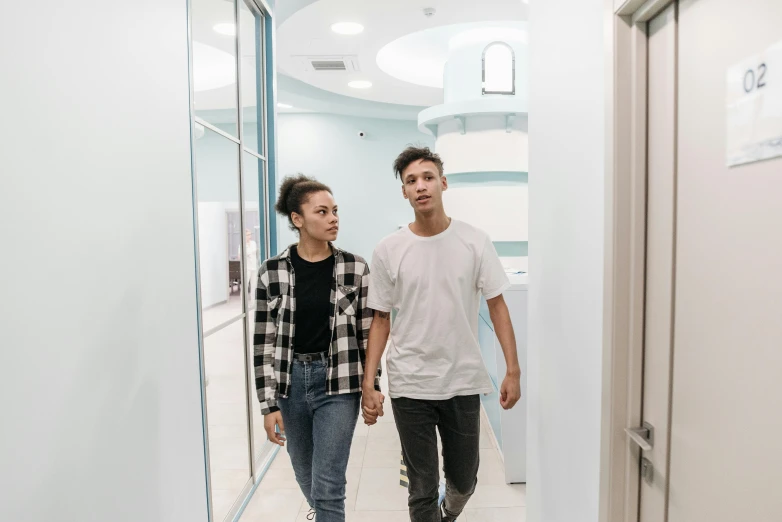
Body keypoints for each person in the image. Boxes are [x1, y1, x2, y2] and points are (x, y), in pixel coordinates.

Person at [361, 147, 522, 522]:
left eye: (428, 177)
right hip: (410, 382)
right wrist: (370, 383)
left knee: (464, 481)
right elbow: (380, 318)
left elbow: (497, 305)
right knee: (421, 487)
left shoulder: (475, 241)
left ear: (443, 183)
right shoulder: (389, 249)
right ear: (404, 192)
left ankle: (447, 513)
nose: (421, 186)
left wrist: (513, 370)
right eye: (411, 181)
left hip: (462, 380)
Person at [254, 174, 381, 522]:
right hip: (290, 384)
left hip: (340, 382)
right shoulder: (271, 272)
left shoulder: (355, 268)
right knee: (305, 475)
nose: (333, 218)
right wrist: (268, 405)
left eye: (335, 211)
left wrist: (372, 386)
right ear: (298, 219)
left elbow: (368, 334)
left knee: (328, 485)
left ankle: (327, 512)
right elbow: (263, 343)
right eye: (322, 212)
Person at [242, 228, 259, 297]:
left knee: (254, 286)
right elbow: (240, 256)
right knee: (245, 285)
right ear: (244, 236)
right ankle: (243, 302)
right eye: (248, 235)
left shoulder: (253, 243)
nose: (250, 236)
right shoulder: (242, 244)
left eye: (250, 234)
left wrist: (248, 253)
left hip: (254, 267)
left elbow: (253, 252)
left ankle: (253, 303)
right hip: (247, 268)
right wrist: (248, 253)